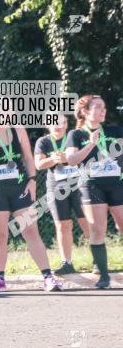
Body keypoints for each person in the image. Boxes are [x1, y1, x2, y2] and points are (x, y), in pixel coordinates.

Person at [0, 116, 63, 292]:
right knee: (0, 235)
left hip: (19, 188)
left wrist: (32, 180)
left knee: (30, 230)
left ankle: (48, 278)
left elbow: (28, 157)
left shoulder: (18, 129)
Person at [64, 95, 123, 289]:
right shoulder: (76, 134)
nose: (103, 110)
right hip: (91, 186)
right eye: (98, 107)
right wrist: (90, 143)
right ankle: (104, 276)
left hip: (117, 184)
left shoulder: (114, 131)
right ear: (85, 111)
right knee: (97, 230)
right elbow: (71, 160)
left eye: (104, 107)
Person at [33, 120, 89, 274]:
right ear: (47, 124)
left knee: (86, 222)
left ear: (66, 124)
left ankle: (98, 260)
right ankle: (67, 263)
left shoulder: (75, 136)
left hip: (79, 185)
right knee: (62, 226)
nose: (59, 125)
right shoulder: (43, 141)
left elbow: (87, 155)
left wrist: (69, 157)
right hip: (56, 188)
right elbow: (38, 164)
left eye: (62, 122)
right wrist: (55, 159)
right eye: (54, 122)